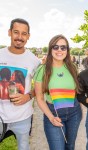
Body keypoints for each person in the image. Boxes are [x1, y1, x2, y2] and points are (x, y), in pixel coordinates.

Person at [34, 34, 82, 150]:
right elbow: (39, 98)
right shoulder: (42, 70)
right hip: (53, 113)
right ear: (50, 49)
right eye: (56, 47)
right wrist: (51, 117)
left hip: (74, 113)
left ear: (67, 50)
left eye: (63, 47)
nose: (59, 50)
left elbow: (77, 92)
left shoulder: (73, 68)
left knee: (70, 146)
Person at [0, 18, 40, 150]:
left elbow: (42, 86)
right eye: (16, 32)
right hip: (0, 115)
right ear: (9, 32)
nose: (19, 37)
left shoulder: (34, 61)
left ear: (28, 36)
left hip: (23, 117)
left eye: (24, 33)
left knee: (24, 147)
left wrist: (28, 96)